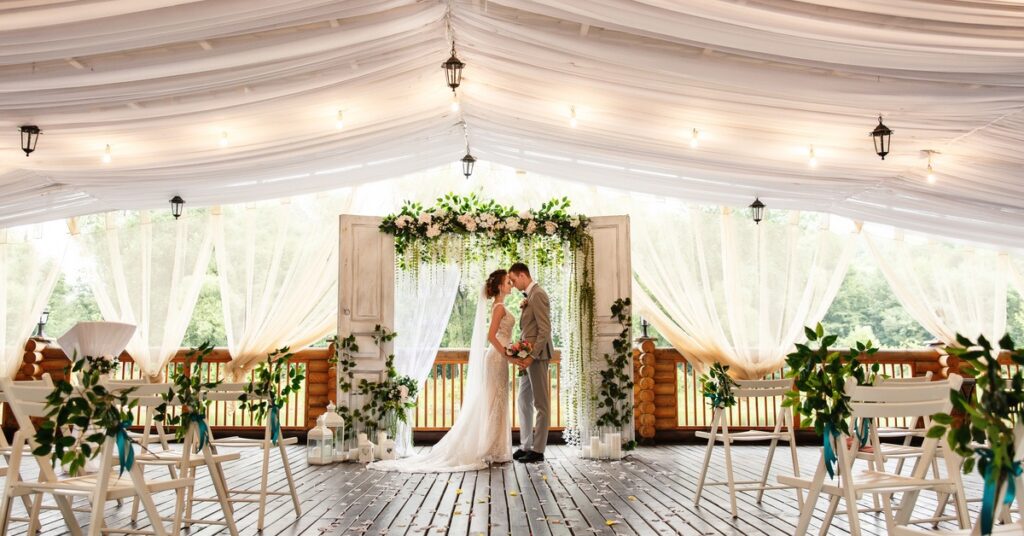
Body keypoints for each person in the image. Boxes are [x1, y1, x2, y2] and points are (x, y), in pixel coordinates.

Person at [368, 269, 516, 472]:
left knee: (496, 398)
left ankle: (496, 447)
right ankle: (491, 447)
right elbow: (491, 337)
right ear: (500, 286)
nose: (511, 284)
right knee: (494, 399)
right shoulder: (499, 308)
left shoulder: (499, 306)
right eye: (508, 281)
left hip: (499, 357)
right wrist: (506, 353)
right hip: (497, 357)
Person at [507, 262, 552, 463]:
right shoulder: (529, 297)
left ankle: (538, 450)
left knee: (541, 403)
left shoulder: (538, 294)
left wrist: (531, 356)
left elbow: (544, 330)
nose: (513, 284)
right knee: (523, 400)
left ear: (523, 275)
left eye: (514, 280)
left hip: (537, 356)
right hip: (527, 356)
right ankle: (525, 444)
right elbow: (529, 331)